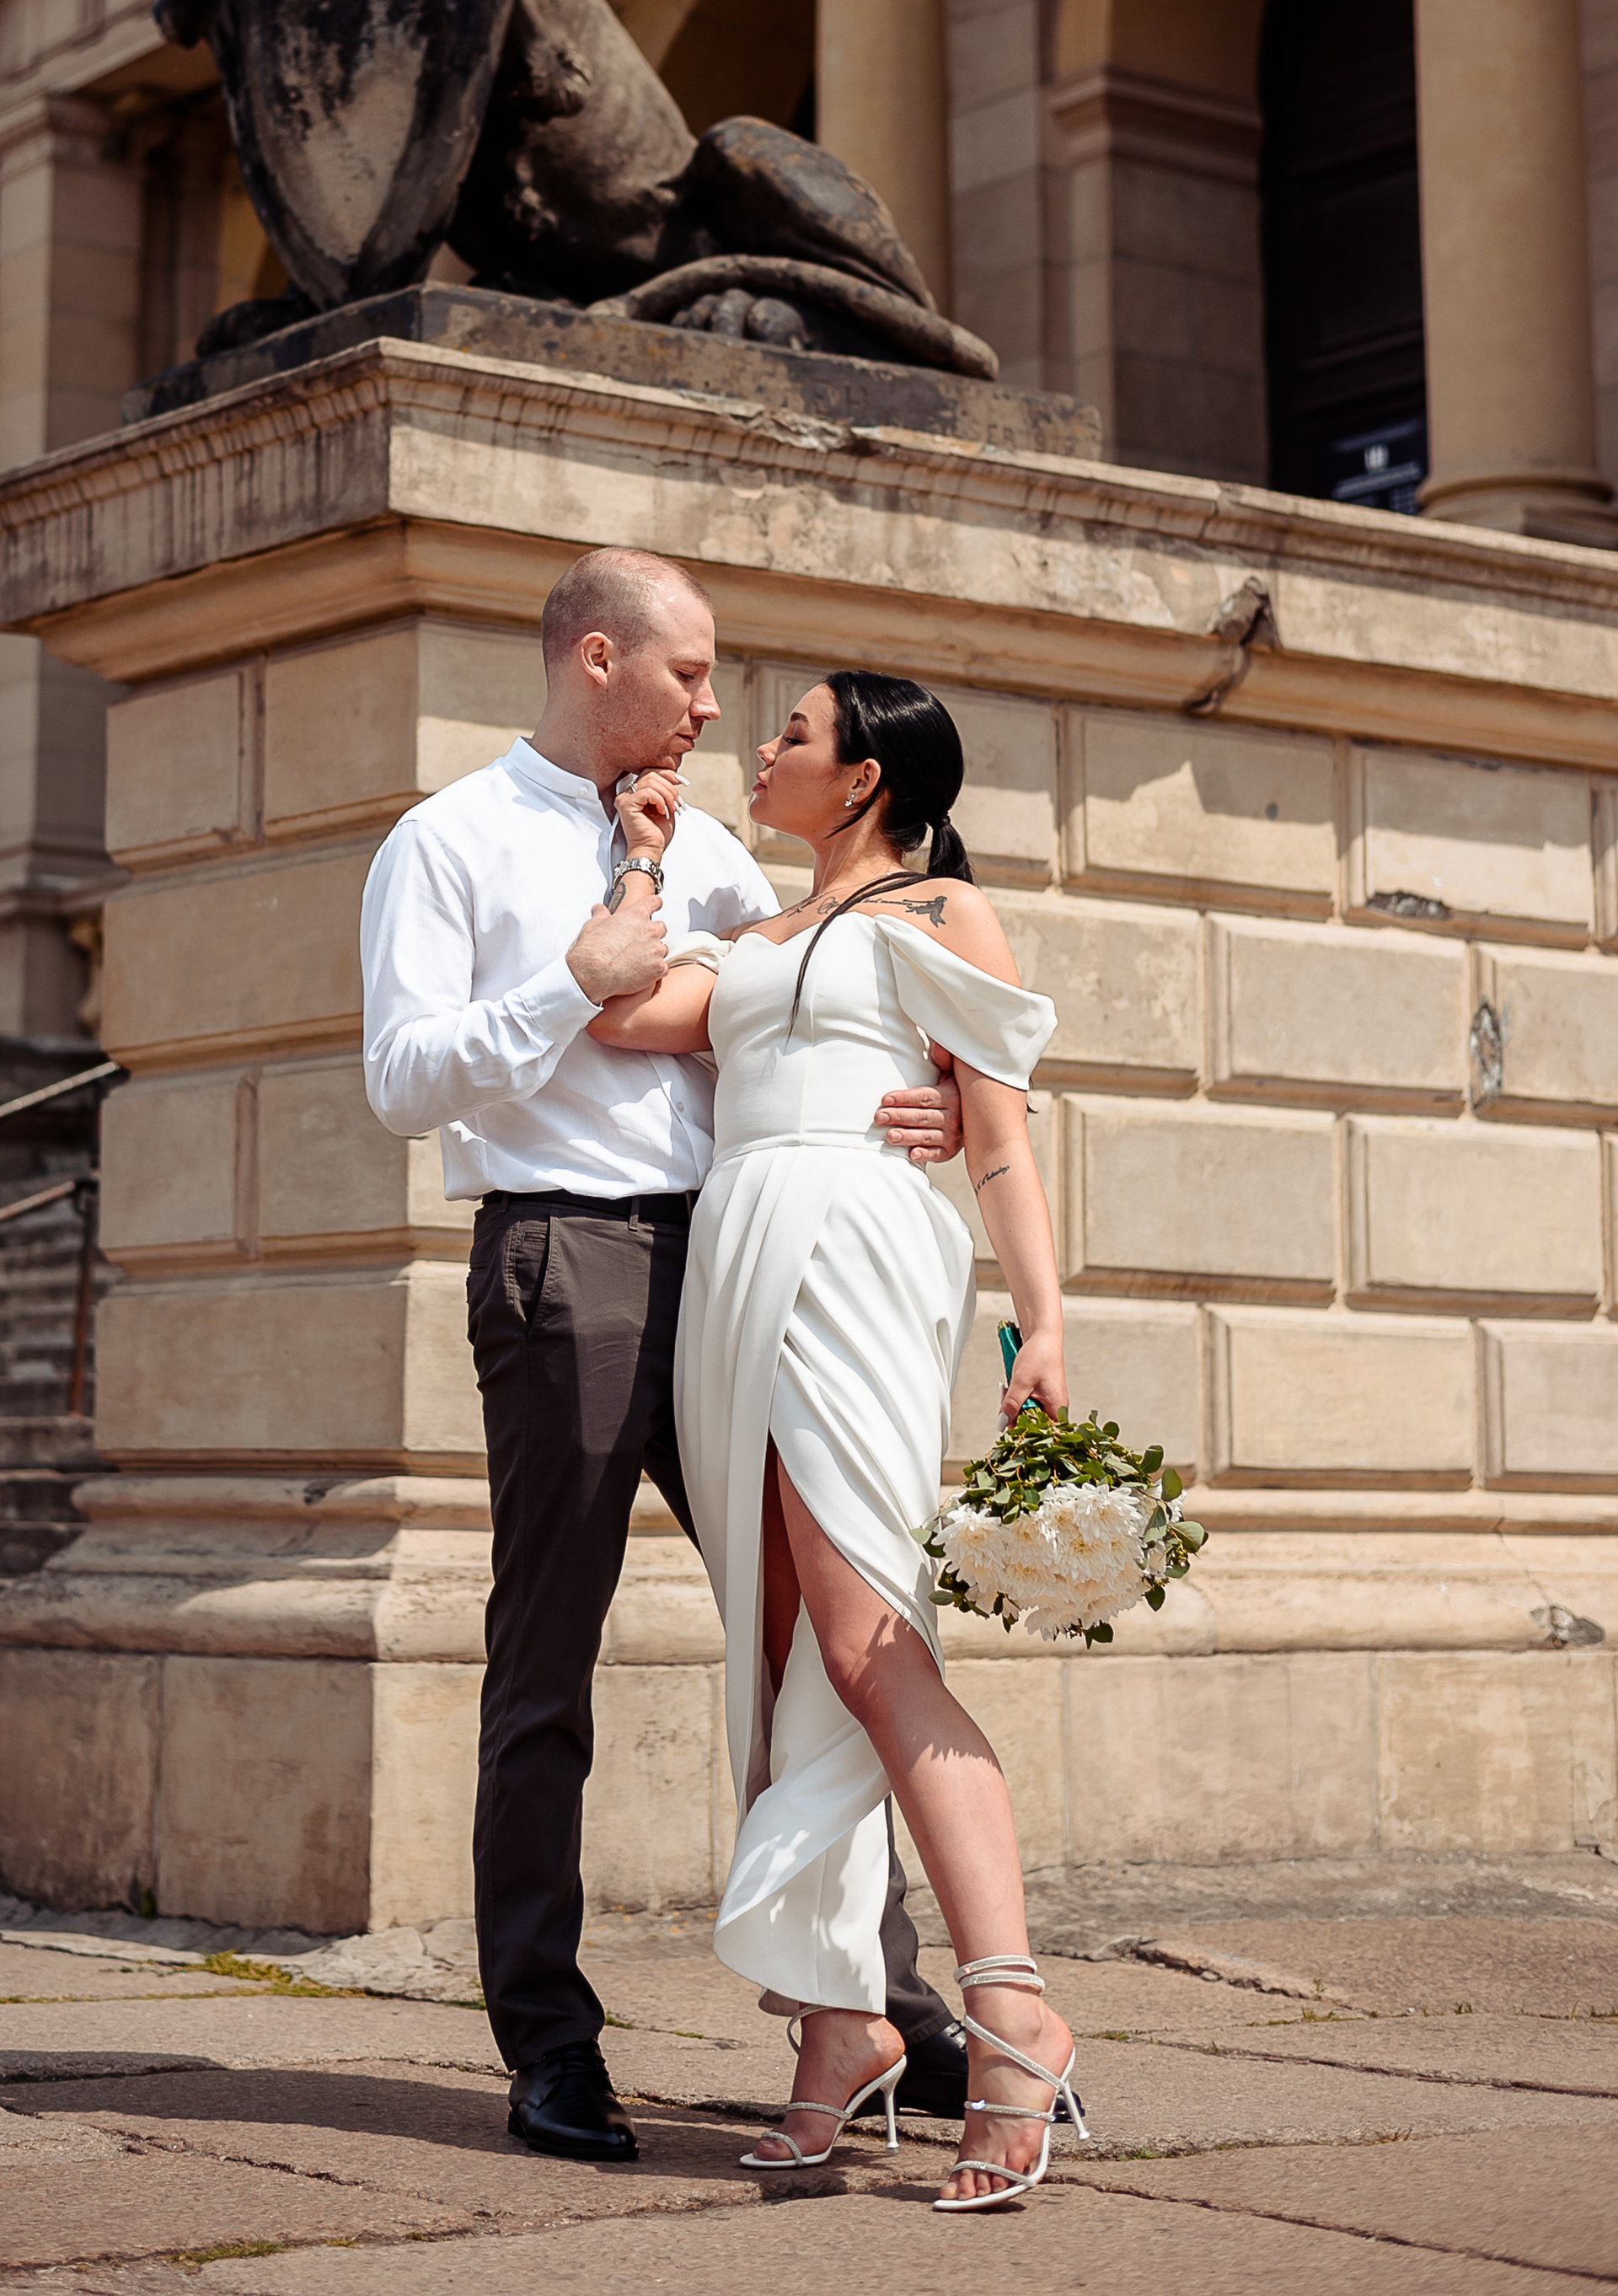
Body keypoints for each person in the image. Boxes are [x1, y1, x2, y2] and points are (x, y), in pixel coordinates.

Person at [360, 550, 970, 2165]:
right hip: (564, 1256)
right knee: (544, 1653)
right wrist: (566, 987)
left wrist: (958, 1098)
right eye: (694, 674)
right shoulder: (449, 840)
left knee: (822, 1631)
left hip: (739, 1260)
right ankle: (549, 2043)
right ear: (600, 656)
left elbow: (833, 992)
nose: (714, 706)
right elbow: (404, 1077)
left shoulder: (705, 846)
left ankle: (890, 2012)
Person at [589, 669, 1084, 2210]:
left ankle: (1011, 2013)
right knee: (783, 1640)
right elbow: (613, 1004)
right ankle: (840, 2028)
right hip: (740, 1258)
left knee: (871, 1640)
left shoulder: (941, 919)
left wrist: (1043, 1328)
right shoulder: (749, 943)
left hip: (859, 1255)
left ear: (865, 778)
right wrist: (644, 856)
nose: (759, 748)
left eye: (793, 735)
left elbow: (997, 1138)